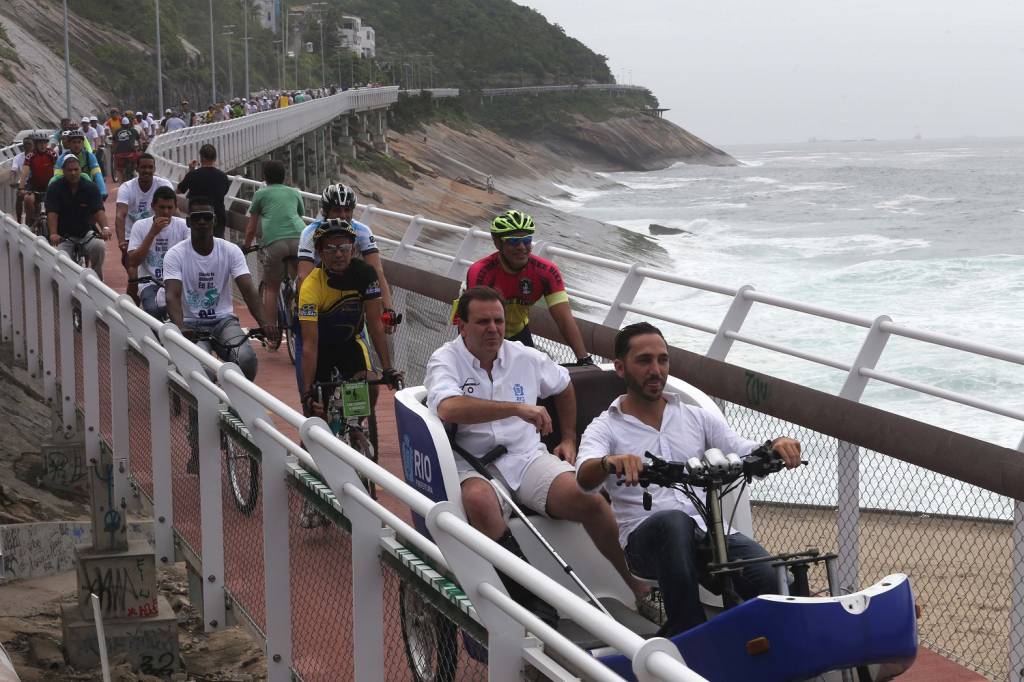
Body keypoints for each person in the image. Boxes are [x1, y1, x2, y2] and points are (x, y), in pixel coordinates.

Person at [424, 286, 650, 622]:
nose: (493, 329)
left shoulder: (525, 357)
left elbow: (562, 386)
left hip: (527, 457)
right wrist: (516, 408)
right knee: (479, 503)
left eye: (498, 321)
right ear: (463, 326)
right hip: (470, 463)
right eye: (483, 321)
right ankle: (528, 605)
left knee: (589, 498)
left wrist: (570, 437)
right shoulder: (445, 359)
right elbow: (448, 407)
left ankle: (637, 587)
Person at [575, 322, 803, 637]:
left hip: (708, 534)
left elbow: (740, 449)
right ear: (619, 367)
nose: (656, 369)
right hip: (646, 543)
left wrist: (775, 445)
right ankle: (689, 632)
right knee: (673, 521)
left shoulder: (695, 416)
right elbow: (584, 477)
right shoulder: (607, 427)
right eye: (644, 361)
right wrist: (608, 462)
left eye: (662, 360)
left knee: (778, 581)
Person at [297, 219, 399, 413]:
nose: (338, 254)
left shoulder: (366, 274)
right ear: (320, 253)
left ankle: (354, 428)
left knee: (369, 388)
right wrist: (307, 390)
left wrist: (387, 369)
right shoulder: (310, 288)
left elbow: (375, 325)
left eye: (344, 248)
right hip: (321, 347)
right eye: (330, 249)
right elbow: (309, 344)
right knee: (317, 409)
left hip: (350, 343)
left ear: (353, 249)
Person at [465, 210, 593, 365]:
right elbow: (473, 321)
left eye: (527, 240)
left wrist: (583, 358)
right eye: (513, 241)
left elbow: (564, 319)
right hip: (484, 332)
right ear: (498, 243)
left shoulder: (546, 272)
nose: (522, 247)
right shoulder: (481, 272)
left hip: (518, 332)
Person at [163, 196, 265, 381]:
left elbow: (248, 290)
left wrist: (265, 322)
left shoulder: (230, 250)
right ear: (188, 222)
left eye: (207, 217)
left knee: (246, 360)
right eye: (196, 217)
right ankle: (204, 407)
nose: (202, 221)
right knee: (203, 371)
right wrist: (180, 328)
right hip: (190, 324)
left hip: (223, 322)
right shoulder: (175, 254)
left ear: (214, 220)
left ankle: (235, 406)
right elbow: (172, 295)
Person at [244, 160, 305, 349]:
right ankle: (304, 317)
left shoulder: (260, 194)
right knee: (302, 282)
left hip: (274, 242)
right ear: (284, 176)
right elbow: (298, 215)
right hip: (300, 238)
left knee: (271, 287)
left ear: (265, 177)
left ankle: (271, 333)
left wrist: (246, 246)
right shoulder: (294, 192)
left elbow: (252, 227)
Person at [115, 154, 174, 301]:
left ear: (154, 168)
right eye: (143, 167)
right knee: (134, 275)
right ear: (137, 169)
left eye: (150, 167)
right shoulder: (127, 188)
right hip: (132, 237)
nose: (147, 170)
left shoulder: (164, 184)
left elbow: (175, 211)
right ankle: (130, 311)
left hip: (160, 235)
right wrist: (122, 241)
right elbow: (120, 215)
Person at [126, 186, 190, 320]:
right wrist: (152, 233)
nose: (166, 212)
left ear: (175, 207)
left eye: (169, 208)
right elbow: (132, 261)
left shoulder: (184, 226)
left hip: (178, 282)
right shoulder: (140, 226)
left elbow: (192, 257)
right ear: (153, 206)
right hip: (150, 283)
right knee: (153, 311)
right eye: (161, 207)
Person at [43, 154, 111, 279]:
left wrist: (105, 228)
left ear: (81, 170)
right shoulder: (54, 188)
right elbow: (52, 213)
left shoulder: (90, 187)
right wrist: (53, 234)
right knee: (60, 259)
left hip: (86, 234)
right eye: (70, 170)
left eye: (76, 169)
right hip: (63, 236)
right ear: (63, 171)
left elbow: (99, 210)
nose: (73, 173)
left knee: (99, 246)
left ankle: (97, 278)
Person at [177, 144, 230, 238]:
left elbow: (179, 190)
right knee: (217, 245)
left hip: (197, 217)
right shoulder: (223, 176)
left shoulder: (193, 175)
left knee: (198, 244)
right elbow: (224, 192)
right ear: (215, 158)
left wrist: (191, 171)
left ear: (201, 158)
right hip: (217, 217)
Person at [51, 129, 107, 199]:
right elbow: (57, 177)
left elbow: (97, 174)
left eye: (79, 142)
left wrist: (102, 191)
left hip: (87, 188)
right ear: (69, 144)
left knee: (85, 176)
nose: (76, 145)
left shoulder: (89, 156)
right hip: (68, 188)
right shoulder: (62, 158)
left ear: (83, 143)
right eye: (74, 142)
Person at [18, 132, 58, 226]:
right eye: (40, 143)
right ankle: (31, 222)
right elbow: (24, 172)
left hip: (49, 185)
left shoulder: (52, 154)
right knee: (28, 199)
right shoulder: (30, 156)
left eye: (45, 143)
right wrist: (21, 188)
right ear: (36, 144)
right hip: (34, 186)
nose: (43, 145)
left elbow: (58, 169)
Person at [9, 138, 32, 224]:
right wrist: (12, 181)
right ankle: (18, 221)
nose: (27, 146)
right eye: (25, 144)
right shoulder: (18, 158)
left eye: (29, 144)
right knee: (19, 196)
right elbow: (13, 170)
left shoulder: (36, 156)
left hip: (35, 182)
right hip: (23, 182)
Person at [112, 117, 140, 182]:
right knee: (136, 164)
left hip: (119, 154)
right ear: (129, 124)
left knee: (119, 170)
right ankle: (134, 172)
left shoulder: (116, 132)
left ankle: (120, 184)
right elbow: (139, 140)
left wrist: (113, 151)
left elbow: (114, 143)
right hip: (131, 153)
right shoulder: (133, 130)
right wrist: (140, 148)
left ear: (121, 124)